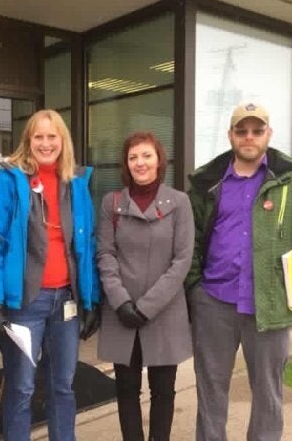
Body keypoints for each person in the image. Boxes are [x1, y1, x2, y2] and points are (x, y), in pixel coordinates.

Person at [185, 102, 292, 441]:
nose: (249, 137)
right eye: (241, 130)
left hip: (270, 302)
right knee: (210, 390)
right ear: (230, 135)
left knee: (268, 393)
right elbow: (188, 237)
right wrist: (194, 288)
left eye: (256, 130)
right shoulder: (209, 181)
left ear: (269, 134)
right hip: (214, 302)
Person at [0, 109, 101, 440]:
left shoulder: (76, 183)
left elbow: (86, 245)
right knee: (21, 388)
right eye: (39, 136)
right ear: (27, 141)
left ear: (63, 141)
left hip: (66, 302)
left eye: (52, 136)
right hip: (24, 304)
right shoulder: (8, 180)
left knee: (63, 386)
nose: (46, 143)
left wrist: (91, 300)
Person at [96, 131, 194, 441]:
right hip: (121, 313)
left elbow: (182, 261)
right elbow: (105, 254)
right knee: (126, 390)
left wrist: (146, 306)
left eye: (146, 155)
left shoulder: (179, 202)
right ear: (126, 163)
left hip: (164, 313)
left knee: (163, 390)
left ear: (159, 160)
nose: (140, 163)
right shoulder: (111, 203)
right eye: (133, 157)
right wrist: (121, 301)